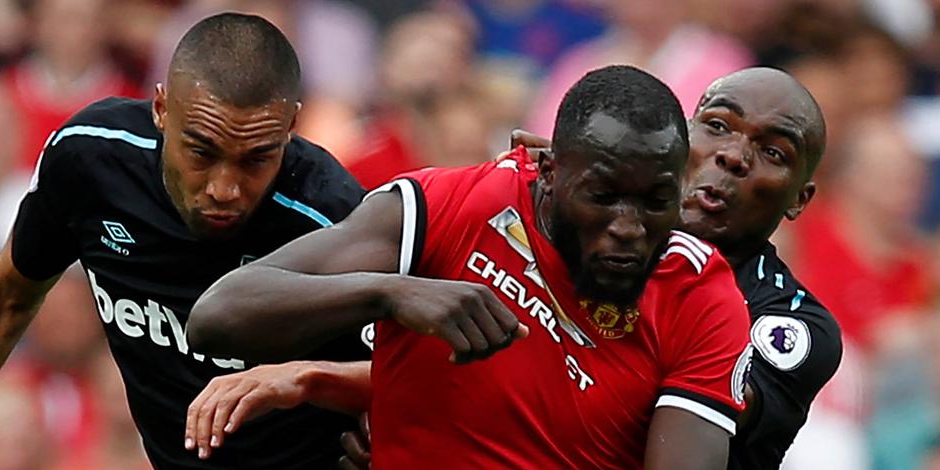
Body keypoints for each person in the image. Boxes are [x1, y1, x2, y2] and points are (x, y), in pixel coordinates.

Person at [187, 67, 841, 470]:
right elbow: (219, 315)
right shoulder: (488, 200)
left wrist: (352, 383)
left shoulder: (765, 317)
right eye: (718, 126)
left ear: (799, 199)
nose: (731, 157)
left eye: (771, 151)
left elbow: (606, 409)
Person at [0, 13, 367, 470]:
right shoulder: (94, 160)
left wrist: (331, 390)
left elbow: (416, 371)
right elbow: (4, 297)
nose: (224, 188)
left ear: (291, 127)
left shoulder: (336, 220)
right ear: (161, 108)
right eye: (201, 150)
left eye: (257, 157)